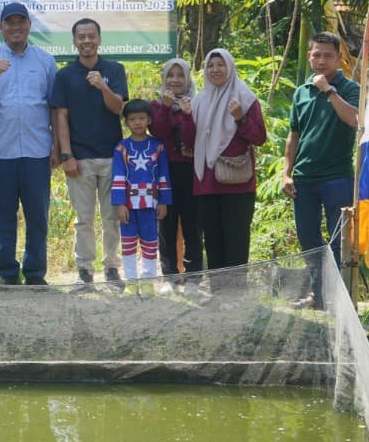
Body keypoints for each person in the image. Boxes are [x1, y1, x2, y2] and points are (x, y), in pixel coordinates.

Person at [0, 2, 58, 285]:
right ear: (1, 27)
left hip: (37, 151)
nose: (16, 27)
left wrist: (58, 147)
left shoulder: (45, 61)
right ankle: (7, 274)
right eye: (10, 22)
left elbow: (55, 107)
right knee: (3, 218)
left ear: (29, 25)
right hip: (0, 152)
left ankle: (35, 274)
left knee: (38, 218)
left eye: (21, 21)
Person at [282, 32, 359, 308]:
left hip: (337, 178)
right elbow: (294, 135)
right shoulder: (301, 92)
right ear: (309, 57)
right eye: (317, 55)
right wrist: (286, 173)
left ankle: (338, 299)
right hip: (304, 179)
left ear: (339, 58)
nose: (322, 60)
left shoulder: (349, 88)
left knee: (339, 240)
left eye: (328, 55)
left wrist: (329, 90)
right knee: (309, 240)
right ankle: (319, 295)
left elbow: (355, 120)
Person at [50, 18, 128, 286]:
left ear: (99, 39)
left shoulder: (114, 70)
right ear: (74, 41)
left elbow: (118, 107)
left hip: (112, 156)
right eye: (81, 37)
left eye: (91, 36)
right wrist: (66, 155)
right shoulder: (64, 76)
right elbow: (60, 117)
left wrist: (103, 86)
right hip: (79, 158)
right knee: (83, 219)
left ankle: (112, 268)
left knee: (111, 217)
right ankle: (84, 271)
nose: (87, 41)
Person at [186, 48, 268, 271]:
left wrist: (241, 118)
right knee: (213, 245)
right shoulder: (200, 100)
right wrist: (184, 117)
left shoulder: (244, 98)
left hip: (237, 184)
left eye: (221, 64)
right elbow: (189, 140)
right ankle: (218, 290)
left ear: (230, 67)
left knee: (236, 243)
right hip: (206, 183)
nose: (215, 69)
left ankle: (237, 290)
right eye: (211, 65)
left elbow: (259, 137)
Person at [150, 58, 202, 278]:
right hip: (164, 172)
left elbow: (192, 139)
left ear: (188, 78)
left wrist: (187, 114)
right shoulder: (155, 105)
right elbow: (158, 132)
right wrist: (165, 107)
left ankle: (194, 274)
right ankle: (169, 274)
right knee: (166, 224)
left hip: (192, 172)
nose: (175, 80)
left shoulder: (198, 104)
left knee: (193, 225)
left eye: (180, 75)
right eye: (170, 75)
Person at [112, 99, 172, 284]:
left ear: (149, 120)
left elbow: (163, 175)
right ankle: (131, 280)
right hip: (128, 205)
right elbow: (118, 176)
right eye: (132, 119)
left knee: (150, 242)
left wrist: (164, 201)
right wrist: (120, 204)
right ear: (126, 122)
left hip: (151, 204)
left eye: (141, 118)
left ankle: (147, 281)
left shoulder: (158, 146)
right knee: (128, 243)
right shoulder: (121, 148)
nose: (137, 122)